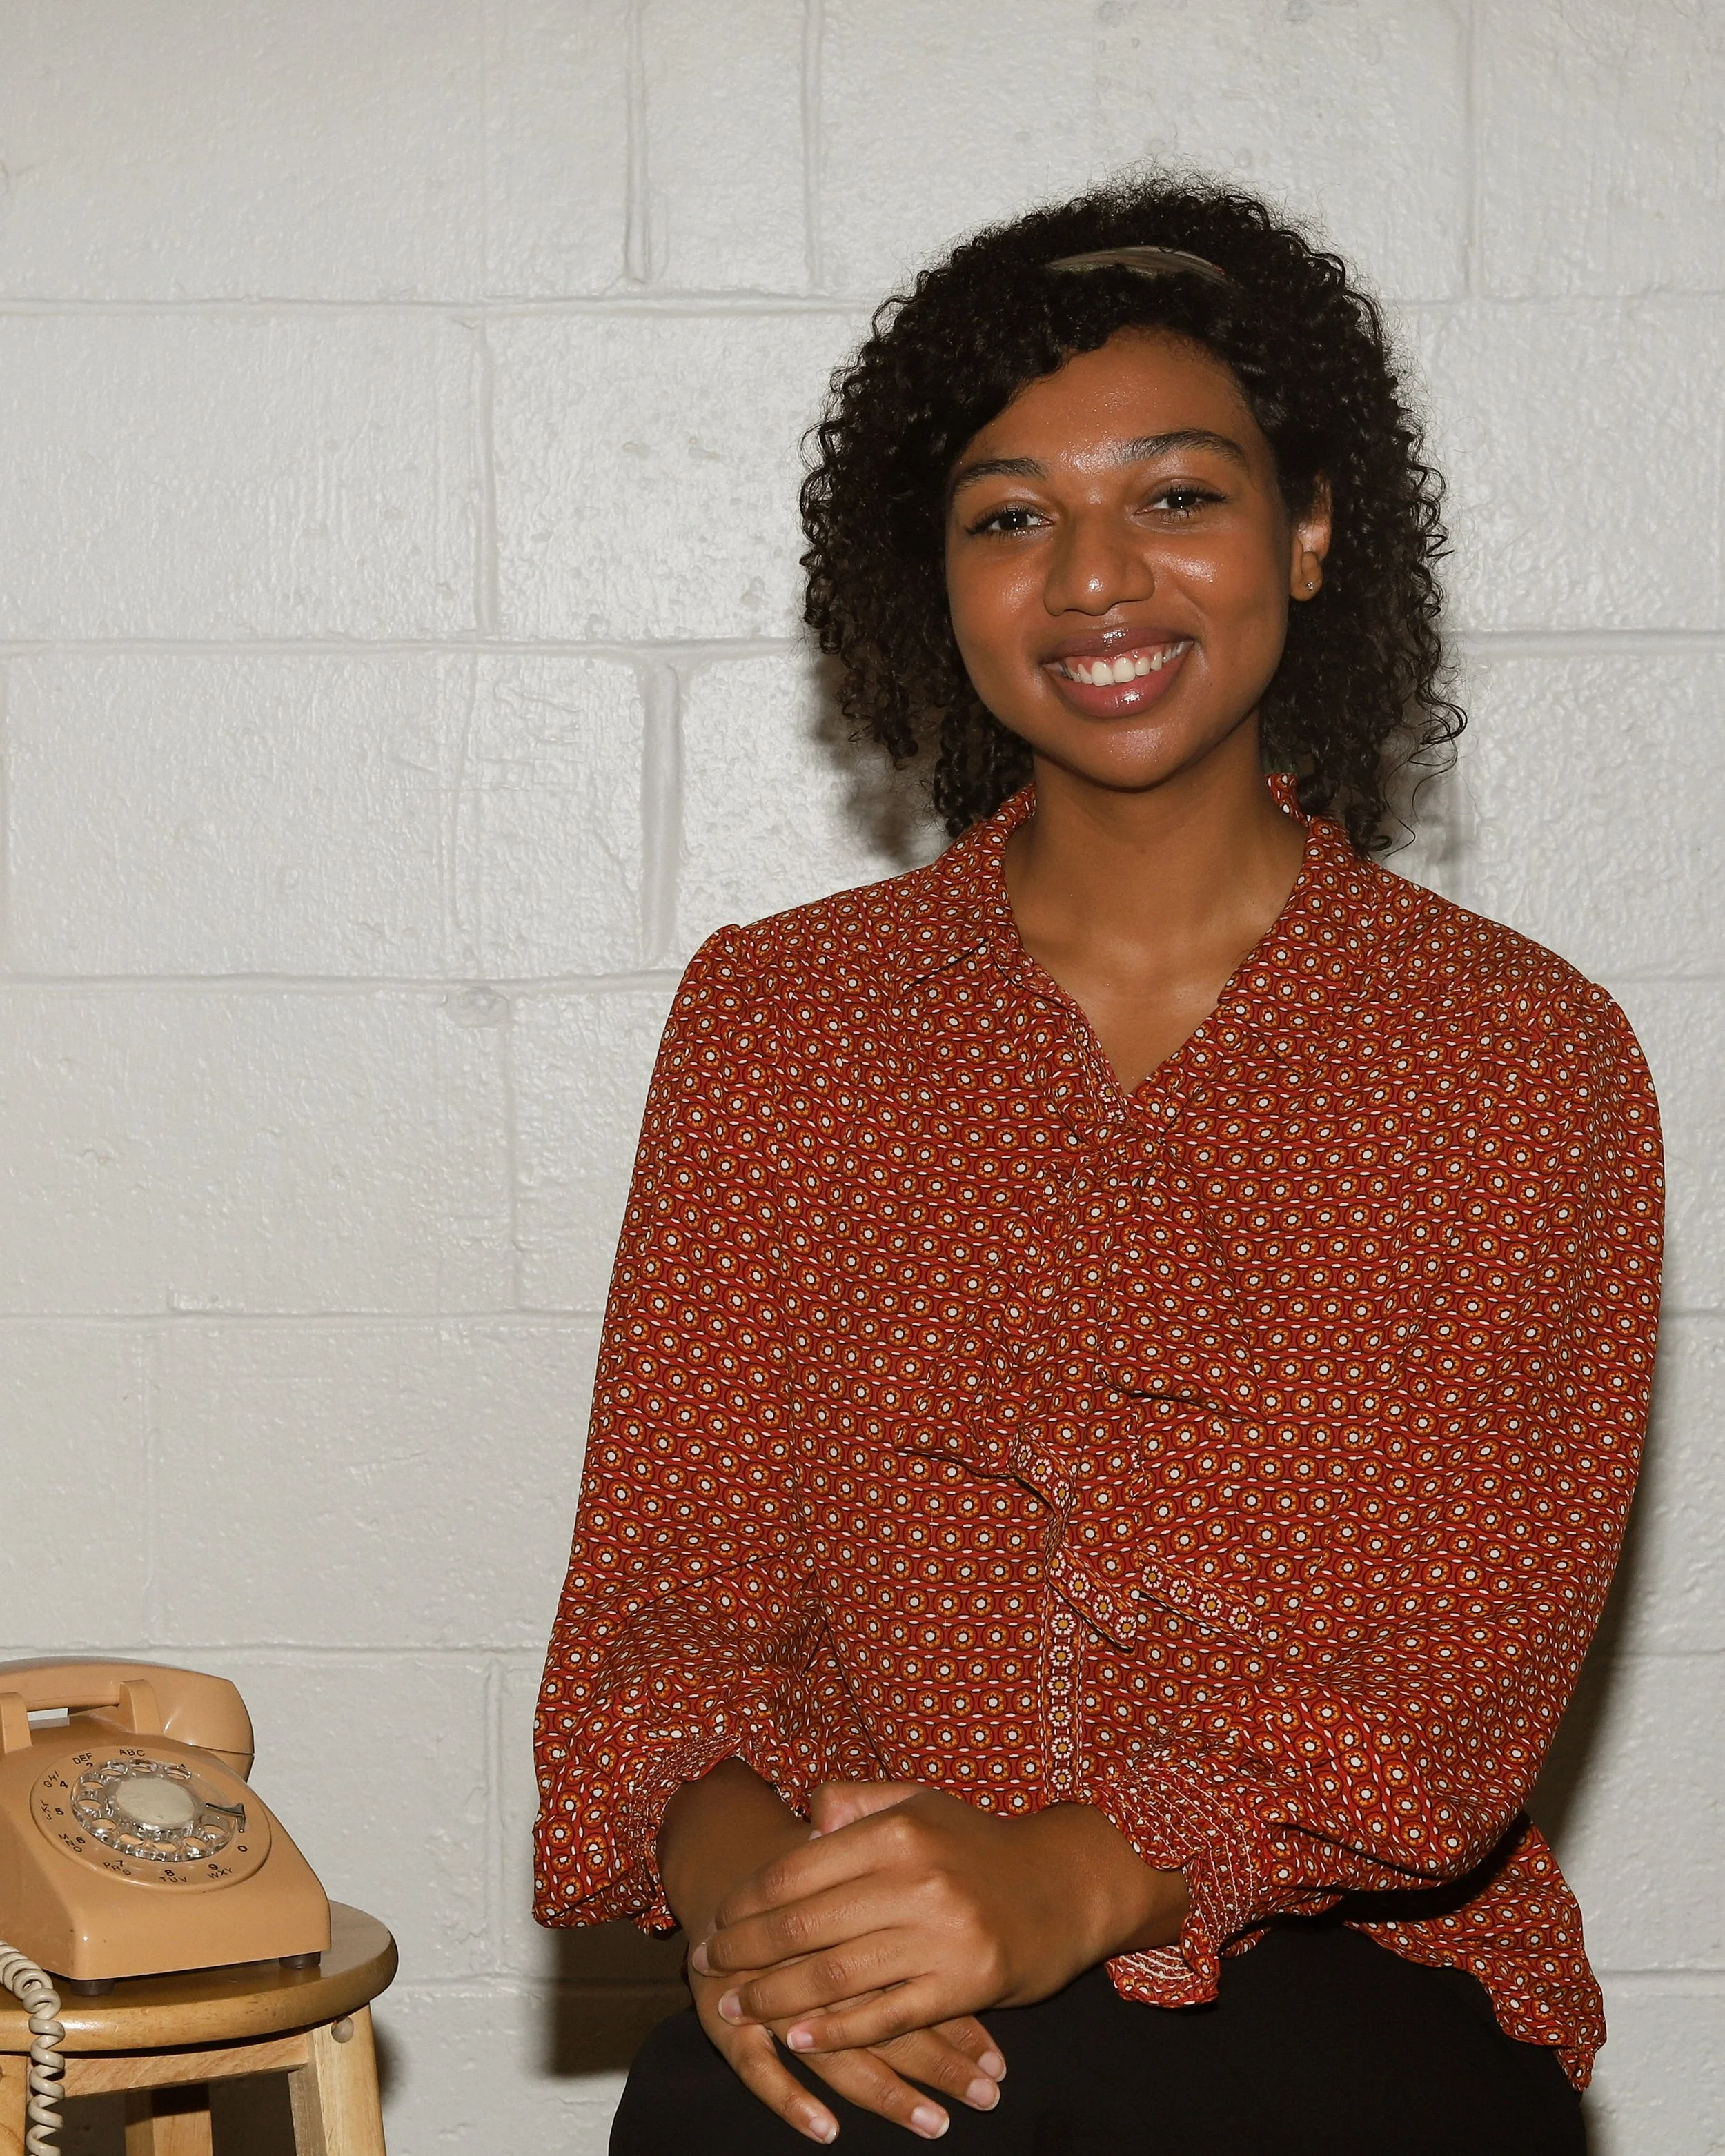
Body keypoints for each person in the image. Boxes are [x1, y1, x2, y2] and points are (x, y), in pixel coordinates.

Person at [533, 176, 1661, 2155]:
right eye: (1006, 516)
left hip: (1342, 1967)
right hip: (862, 1929)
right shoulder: (776, 1024)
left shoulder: (1512, 1056)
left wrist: (1060, 1883)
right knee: (723, 2118)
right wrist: (756, 1918)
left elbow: (1444, 1707)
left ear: (1308, 530)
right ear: (936, 585)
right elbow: (673, 1620)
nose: (1090, 577)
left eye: (1174, 494)